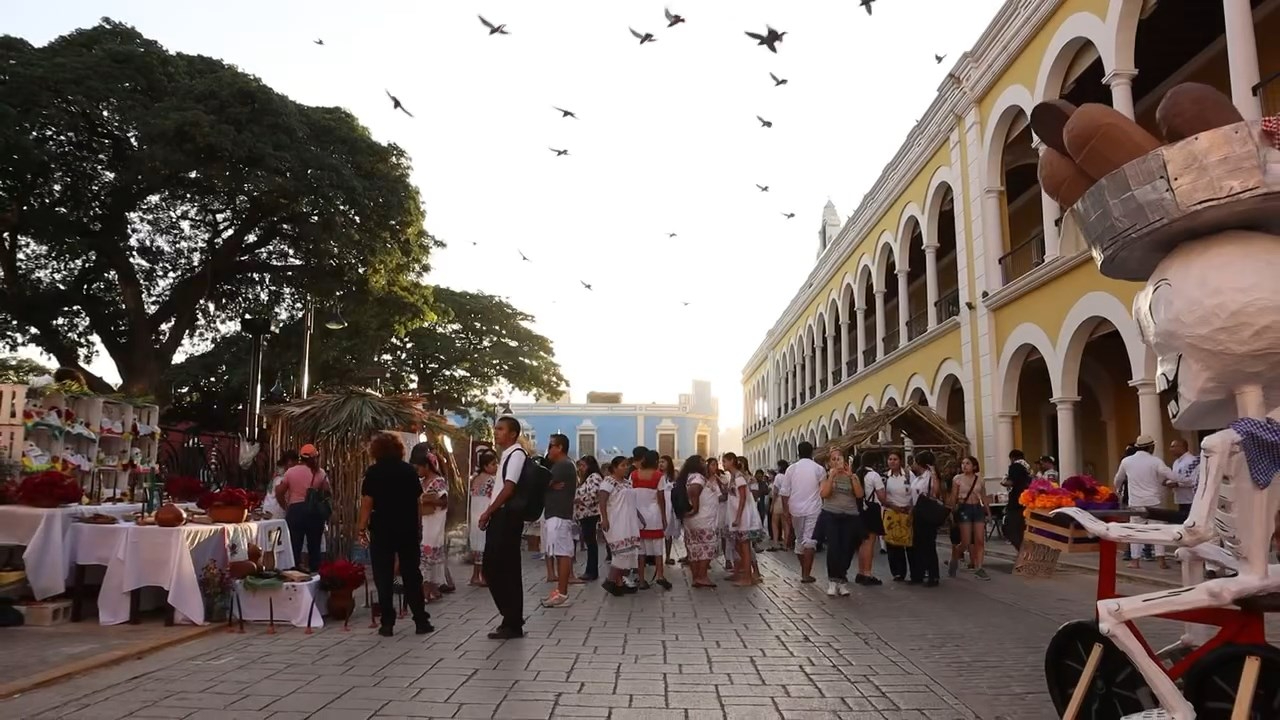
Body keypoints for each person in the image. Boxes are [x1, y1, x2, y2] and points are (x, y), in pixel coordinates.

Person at [356, 433, 431, 636]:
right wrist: (418, 527)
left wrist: (361, 528)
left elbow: (367, 502)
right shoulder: (409, 471)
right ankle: (420, 620)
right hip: (406, 528)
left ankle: (387, 622)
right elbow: (417, 502)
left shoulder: (373, 472)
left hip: (382, 528)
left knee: (383, 576)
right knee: (411, 574)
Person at [477, 416, 530, 639]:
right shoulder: (507, 455)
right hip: (501, 516)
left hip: (506, 516)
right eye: (495, 428)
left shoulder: (516, 455)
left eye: (500, 429)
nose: (496, 432)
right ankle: (511, 618)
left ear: (512, 434)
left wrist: (489, 512)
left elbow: (509, 488)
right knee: (496, 567)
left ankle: (512, 619)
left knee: (500, 567)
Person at [1114, 434, 1180, 570]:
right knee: (1158, 531)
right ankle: (1161, 561)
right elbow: (1172, 476)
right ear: (1151, 447)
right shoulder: (1155, 461)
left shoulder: (1127, 461)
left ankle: (1135, 561)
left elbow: (1117, 480)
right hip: (1153, 501)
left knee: (1135, 531)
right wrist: (1168, 482)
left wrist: (1118, 489)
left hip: (1136, 502)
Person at [275, 443, 330, 572]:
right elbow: (327, 493)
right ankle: (315, 577)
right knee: (314, 548)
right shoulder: (320, 473)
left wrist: (286, 506)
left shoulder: (291, 472)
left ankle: (294, 577)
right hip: (314, 513)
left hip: (295, 511)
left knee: (294, 546)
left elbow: (279, 492)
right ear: (315, 457)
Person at [818, 451, 865, 596]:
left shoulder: (853, 476)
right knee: (834, 548)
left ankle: (841, 579)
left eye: (839, 458)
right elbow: (824, 494)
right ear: (830, 462)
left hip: (850, 516)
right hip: (831, 515)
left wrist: (851, 476)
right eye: (833, 459)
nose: (837, 461)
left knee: (847, 549)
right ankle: (833, 581)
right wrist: (832, 476)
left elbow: (859, 494)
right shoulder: (826, 476)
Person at [541, 434, 579, 608]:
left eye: (551, 446)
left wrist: (546, 484)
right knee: (559, 552)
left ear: (560, 447)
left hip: (559, 515)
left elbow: (539, 482)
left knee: (563, 553)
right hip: (556, 514)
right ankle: (560, 590)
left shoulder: (563, 465)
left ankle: (562, 594)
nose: (548, 450)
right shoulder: (562, 465)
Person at [409, 445, 449, 602]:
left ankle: (427, 590)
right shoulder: (421, 482)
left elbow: (443, 501)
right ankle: (430, 589)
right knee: (425, 554)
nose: (416, 470)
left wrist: (426, 500)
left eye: (418, 467)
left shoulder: (438, 481)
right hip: (423, 521)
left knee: (428, 554)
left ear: (426, 466)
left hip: (434, 523)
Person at [783, 441, 825, 583]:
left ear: (798, 452)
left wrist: (786, 511)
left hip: (795, 509)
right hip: (813, 508)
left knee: (800, 541)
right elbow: (824, 491)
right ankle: (806, 573)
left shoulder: (791, 469)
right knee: (810, 541)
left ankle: (804, 571)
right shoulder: (819, 469)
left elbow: (785, 493)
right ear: (812, 452)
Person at [599, 456, 641, 596]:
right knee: (620, 553)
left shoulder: (628, 483)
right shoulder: (608, 482)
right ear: (615, 467)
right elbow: (602, 501)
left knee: (629, 553)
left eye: (626, 465)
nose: (625, 468)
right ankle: (610, 580)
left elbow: (632, 502)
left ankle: (619, 582)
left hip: (629, 521)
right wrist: (604, 519)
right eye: (622, 465)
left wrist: (639, 516)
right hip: (616, 521)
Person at [631, 450, 670, 589]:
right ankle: (660, 575)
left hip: (638, 516)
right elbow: (661, 498)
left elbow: (631, 495)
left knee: (641, 551)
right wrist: (664, 518)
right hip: (654, 515)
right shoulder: (658, 476)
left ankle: (641, 579)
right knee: (658, 548)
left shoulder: (634, 475)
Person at [679, 455, 719, 587]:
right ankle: (702, 576)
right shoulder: (697, 477)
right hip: (703, 520)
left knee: (694, 549)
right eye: (702, 461)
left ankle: (696, 576)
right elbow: (694, 490)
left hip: (694, 520)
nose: (704, 464)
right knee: (707, 547)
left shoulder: (689, 476)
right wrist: (695, 508)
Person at [948, 455, 989, 580]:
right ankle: (954, 558)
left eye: (967, 463)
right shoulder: (957, 479)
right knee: (965, 541)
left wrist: (988, 512)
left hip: (977, 509)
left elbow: (984, 497)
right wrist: (951, 511)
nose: (964, 466)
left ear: (974, 466)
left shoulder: (980, 480)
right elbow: (954, 496)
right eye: (963, 463)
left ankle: (979, 567)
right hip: (964, 508)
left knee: (979, 540)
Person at [879, 450, 914, 582]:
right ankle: (898, 572)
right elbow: (881, 495)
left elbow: (915, 491)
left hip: (907, 511)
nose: (892, 462)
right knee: (893, 544)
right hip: (891, 512)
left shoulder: (909, 476)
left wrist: (910, 507)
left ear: (900, 461)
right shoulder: (884, 477)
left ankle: (914, 571)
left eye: (895, 459)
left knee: (908, 543)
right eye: (890, 459)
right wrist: (893, 506)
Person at [728, 455, 763, 586]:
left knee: (745, 546)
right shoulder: (734, 477)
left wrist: (738, 517)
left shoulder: (740, 478)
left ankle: (748, 576)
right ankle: (745, 573)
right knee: (740, 546)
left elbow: (743, 498)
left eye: (725, 461)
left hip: (743, 517)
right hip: (738, 516)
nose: (723, 464)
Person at [909, 452, 943, 586]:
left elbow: (935, 492)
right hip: (918, 512)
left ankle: (933, 575)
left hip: (927, 513)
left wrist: (934, 473)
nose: (913, 465)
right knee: (917, 544)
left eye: (915, 462)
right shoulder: (918, 478)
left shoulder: (929, 476)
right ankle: (919, 573)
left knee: (928, 544)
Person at [468, 452, 497, 587]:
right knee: (485, 544)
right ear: (485, 466)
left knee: (477, 543)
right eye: (493, 464)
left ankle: (475, 575)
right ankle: (484, 576)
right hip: (485, 513)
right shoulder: (491, 480)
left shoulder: (475, 479)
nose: (495, 466)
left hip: (474, 513)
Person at [574, 455, 603, 582]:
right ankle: (590, 570)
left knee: (591, 543)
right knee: (590, 543)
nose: (580, 468)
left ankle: (592, 571)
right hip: (584, 514)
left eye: (583, 465)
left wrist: (579, 499)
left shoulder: (594, 477)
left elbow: (594, 494)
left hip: (589, 514)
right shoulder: (586, 479)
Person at [1002, 449, 1033, 550]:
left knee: (1011, 529)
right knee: (1023, 529)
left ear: (1012, 458)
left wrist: (1004, 482)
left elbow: (1011, 482)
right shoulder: (1028, 468)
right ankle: (1024, 551)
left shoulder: (1015, 466)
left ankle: (1022, 551)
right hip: (1027, 501)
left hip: (1016, 501)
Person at [1167, 438, 1199, 521]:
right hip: (1180, 499)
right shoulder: (1176, 463)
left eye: (1173, 447)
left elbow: (1194, 480)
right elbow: (1176, 477)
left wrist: (1178, 484)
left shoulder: (1192, 461)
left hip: (1191, 499)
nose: (1170, 449)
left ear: (1182, 447)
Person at [263, 450, 298, 520]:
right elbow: (279, 495)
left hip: (268, 507)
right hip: (276, 510)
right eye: (293, 464)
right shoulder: (282, 478)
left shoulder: (278, 474)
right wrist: (286, 509)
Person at [660, 455, 681, 566]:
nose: (661, 464)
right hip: (661, 504)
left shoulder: (675, 475)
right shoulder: (658, 475)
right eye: (659, 462)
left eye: (663, 461)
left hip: (671, 504)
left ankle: (667, 556)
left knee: (669, 532)